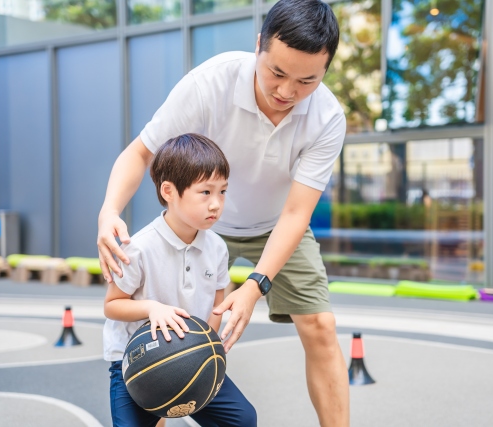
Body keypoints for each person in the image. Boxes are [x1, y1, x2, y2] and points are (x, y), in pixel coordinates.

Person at [98, 0, 349, 425]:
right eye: (276, 72)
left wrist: (255, 286)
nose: (287, 91)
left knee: (321, 327)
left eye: (307, 80)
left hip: (276, 225)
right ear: (258, 46)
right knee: (172, 344)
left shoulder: (327, 117)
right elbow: (141, 152)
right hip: (200, 224)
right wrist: (109, 211)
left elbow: (295, 213)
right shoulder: (208, 84)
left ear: (325, 71)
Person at [103, 134, 257, 427]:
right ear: (169, 191)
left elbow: (216, 302)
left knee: (242, 420)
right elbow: (112, 305)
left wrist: (210, 352)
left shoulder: (217, 247)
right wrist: (152, 308)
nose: (216, 204)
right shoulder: (140, 248)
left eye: (222, 191)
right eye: (205, 192)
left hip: (191, 357)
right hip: (138, 362)